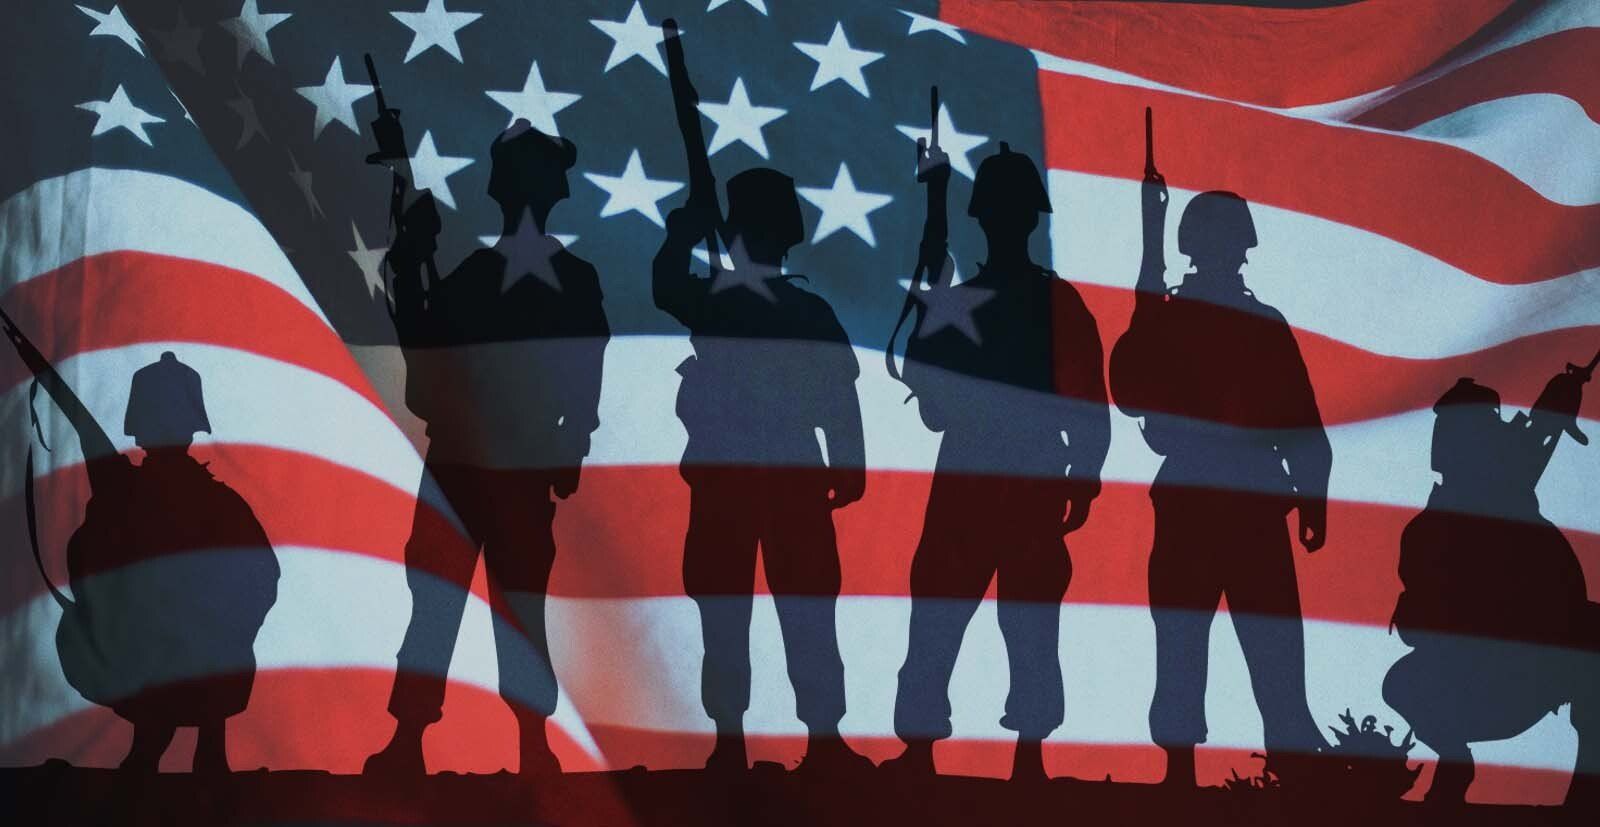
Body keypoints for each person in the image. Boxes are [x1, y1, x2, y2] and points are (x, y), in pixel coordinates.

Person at [365, 119, 610, 776]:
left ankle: (528, 743)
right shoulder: (488, 278)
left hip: (509, 468)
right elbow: (429, 373)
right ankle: (414, 736)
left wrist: (572, 445)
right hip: (470, 467)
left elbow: (586, 375)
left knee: (514, 606)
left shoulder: (543, 280)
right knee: (443, 600)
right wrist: (411, 262)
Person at [884, 144, 1110, 782]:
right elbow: (1088, 405)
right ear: (1032, 219)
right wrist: (1084, 477)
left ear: (982, 217)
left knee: (955, 613)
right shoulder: (1054, 301)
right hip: (1025, 473)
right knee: (1014, 617)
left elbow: (934, 409)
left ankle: (929, 749)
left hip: (978, 472)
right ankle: (1024, 756)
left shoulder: (964, 302)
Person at [1109, 179, 1332, 787]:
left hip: (1240, 498)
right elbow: (1128, 390)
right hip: (1207, 496)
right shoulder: (1182, 319)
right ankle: (1183, 769)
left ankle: (1276, 758)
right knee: (1185, 638)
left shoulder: (1250, 323)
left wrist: (1313, 498)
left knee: (1266, 643)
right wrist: (1150, 258)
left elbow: (1300, 421)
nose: (1226, 251)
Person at [653, 167, 871, 775]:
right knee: (729, 611)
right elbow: (665, 285)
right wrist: (685, 230)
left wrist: (850, 463)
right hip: (739, 477)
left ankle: (819, 739)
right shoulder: (724, 300)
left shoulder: (790, 309)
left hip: (785, 477)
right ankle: (731, 742)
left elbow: (839, 392)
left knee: (804, 610)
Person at [0, 317, 279, 774]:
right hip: (175, 655)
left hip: (190, 655)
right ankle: (177, 751)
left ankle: (194, 751)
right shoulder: (200, 500)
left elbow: (259, 575)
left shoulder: (143, 497)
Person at [1384, 374, 1600, 805]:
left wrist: (1555, 401)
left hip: (1538, 671)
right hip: (1473, 684)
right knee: (1400, 684)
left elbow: (1533, 440)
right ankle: (1454, 764)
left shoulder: (1508, 505)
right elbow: (1417, 623)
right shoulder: (1430, 534)